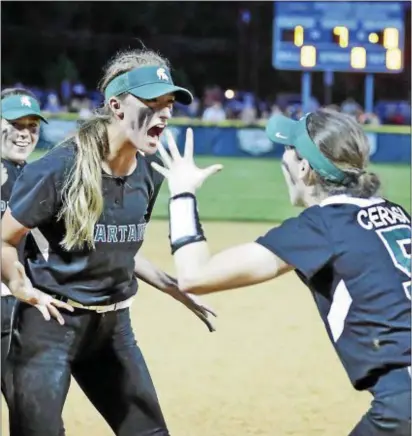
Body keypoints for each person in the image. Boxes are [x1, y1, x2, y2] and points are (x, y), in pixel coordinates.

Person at [152, 109, 411, 436]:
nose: (283, 158)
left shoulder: (323, 225)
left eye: (288, 149)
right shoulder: (394, 213)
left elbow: (195, 276)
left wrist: (182, 193)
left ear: (305, 168)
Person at [1, 48, 216, 436]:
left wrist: (173, 287)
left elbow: (116, 248)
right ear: (116, 106)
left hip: (113, 328)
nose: (165, 112)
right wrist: (19, 285)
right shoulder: (57, 169)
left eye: (168, 103)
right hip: (50, 326)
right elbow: (4, 238)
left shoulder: (150, 170)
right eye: (152, 101)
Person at [1, 87, 48, 403]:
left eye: (32, 127)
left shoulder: (33, 177)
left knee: (33, 413)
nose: (25, 134)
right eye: (16, 124)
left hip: (17, 308)